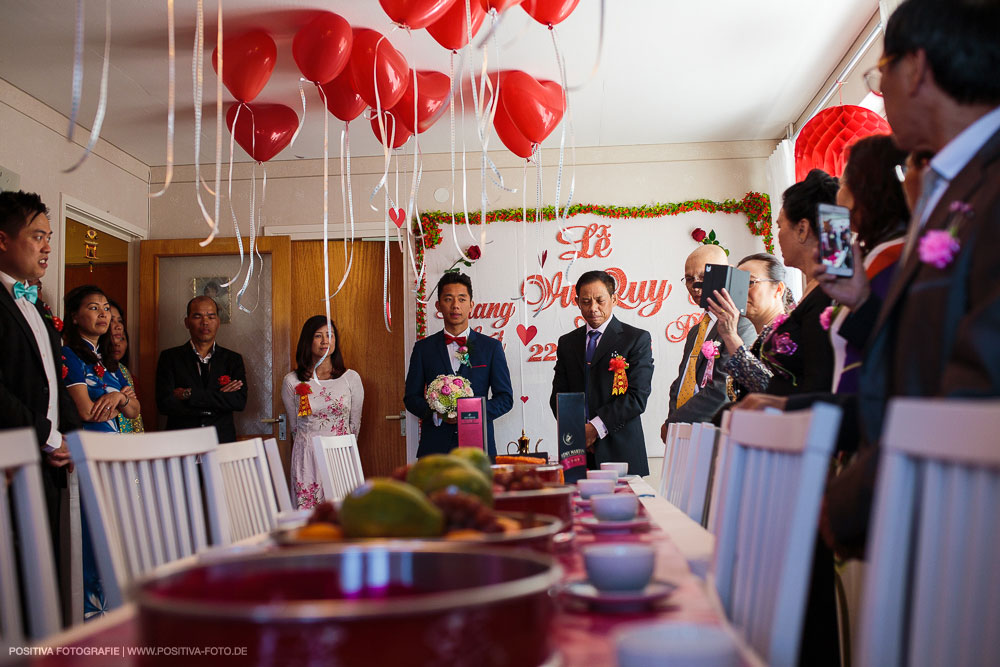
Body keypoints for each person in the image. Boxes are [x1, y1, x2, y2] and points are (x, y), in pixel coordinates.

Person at [808, 0, 1000, 557]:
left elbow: (976, 386)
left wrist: (847, 504)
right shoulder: (955, 187)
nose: (882, 91)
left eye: (880, 73)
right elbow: (914, 372)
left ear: (915, 70)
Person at [0, 190, 78, 625]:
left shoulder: (35, 304)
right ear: (3, 240)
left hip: (46, 460)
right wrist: (46, 436)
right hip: (9, 460)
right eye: (37, 236)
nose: (48, 246)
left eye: (49, 236)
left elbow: (52, 379)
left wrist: (66, 435)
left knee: (40, 574)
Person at [61, 284, 140, 620]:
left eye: (106, 307)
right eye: (93, 308)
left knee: (118, 536)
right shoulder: (68, 355)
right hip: (89, 455)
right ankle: (93, 619)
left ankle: (118, 611)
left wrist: (120, 399)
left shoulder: (107, 364)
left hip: (115, 457)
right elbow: (86, 411)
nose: (104, 314)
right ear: (75, 316)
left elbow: (134, 410)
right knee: (93, 538)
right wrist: (113, 401)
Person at [827, 135, 910, 394]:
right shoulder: (878, 253)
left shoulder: (891, 257)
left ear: (858, 192)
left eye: (841, 185)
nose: (836, 197)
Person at [550, 270, 654, 475]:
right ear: (577, 302)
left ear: (614, 299)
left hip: (621, 452)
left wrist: (594, 429)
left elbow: (637, 397)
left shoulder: (636, 339)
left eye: (600, 300)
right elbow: (558, 396)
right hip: (577, 449)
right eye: (586, 301)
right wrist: (579, 431)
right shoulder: (567, 342)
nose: (593, 308)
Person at [404, 272, 513, 458]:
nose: (455, 305)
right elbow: (411, 398)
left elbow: (505, 398)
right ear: (438, 305)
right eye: (448, 299)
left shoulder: (491, 348)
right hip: (435, 450)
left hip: (478, 449)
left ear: (471, 305)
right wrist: (437, 413)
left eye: (462, 299)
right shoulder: (423, 349)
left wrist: (471, 413)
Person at [757, 169, 839, 396]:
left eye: (780, 226)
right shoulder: (814, 289)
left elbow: (820, 382)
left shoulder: (827, 296)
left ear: (802, 229)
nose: (778, 236)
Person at [663, 245, 756, 435]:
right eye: (689, 279)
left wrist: (675, 422)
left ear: (726, 273)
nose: (695, 286)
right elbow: (681, 383)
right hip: (684, 433)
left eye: (704, 277)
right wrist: (673, 421)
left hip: (717, 433)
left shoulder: (743, 326)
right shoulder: (696, 331)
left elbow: (723, 389)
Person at [281, 316, 363, 509]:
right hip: (307, 456)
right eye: (319, 336)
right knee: (308, 516)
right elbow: (295, 427)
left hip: (341, 455)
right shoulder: (291, 381)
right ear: (307, 341)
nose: (326, 341)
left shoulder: (350, 378)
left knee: (342, 515)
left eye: (330, 335)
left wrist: (341, 447)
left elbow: (355, 425)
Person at [155, 296, 247, 443]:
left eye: (211, 317)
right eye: (198, 316)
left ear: (218, 322)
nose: (205, 322)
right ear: (187, 322)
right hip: (182, 444)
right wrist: (217, 398)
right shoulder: (170, 358)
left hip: (221, 443)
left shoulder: (232, 360)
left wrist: (189, 394)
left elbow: (238, 401)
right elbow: (165, 404)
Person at [706, 253, 795, 401]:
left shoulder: (788, 336)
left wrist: (730, 335)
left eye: (750, 282)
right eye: (737, 284)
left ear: (778, 289)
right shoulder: (761, 337)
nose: (740, 292)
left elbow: (769, 393)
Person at [107, 298, 144, 432]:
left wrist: (123, 399)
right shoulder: (80, 362)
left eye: (120, 321)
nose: (118, 326)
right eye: (111, 320)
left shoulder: (122, 370)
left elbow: (135, 413)